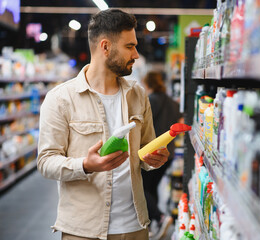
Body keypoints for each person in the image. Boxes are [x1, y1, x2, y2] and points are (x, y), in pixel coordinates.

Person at [37, 9, 169, 240]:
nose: (136, 54)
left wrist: (154, 159)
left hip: (135, 227)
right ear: (105, 47)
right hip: (84, 231)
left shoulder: (137, 94)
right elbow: (46, 161)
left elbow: (145, 152)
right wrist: (85, 165)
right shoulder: (61, 98)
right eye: (130, 46)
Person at [141, 71, 183, 239]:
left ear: (148, 84)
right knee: (151, 187)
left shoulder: (152, 100)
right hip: (168, 154)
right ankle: (152, 222)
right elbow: (179, 120)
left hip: (152, 152)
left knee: (142, 188)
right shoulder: (172, 102)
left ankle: (159, 217)